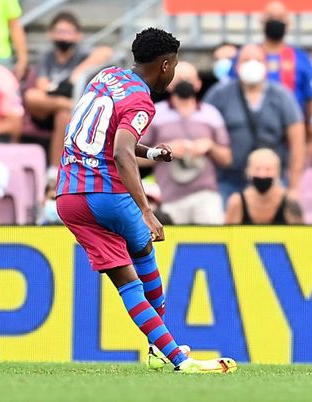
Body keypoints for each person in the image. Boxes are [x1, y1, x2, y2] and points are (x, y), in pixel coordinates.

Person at [55, 28, 236, 374]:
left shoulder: (106, 77)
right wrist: (146, 210)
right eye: (175, 66)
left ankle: (160, 349)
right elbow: (122, 152)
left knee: (127, 282)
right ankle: (179, 359)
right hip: (107, 193)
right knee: (143, 260)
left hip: (70, 197)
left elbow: (102, 133)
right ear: (166, 65)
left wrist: (150, 151)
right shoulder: (141, 99)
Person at [204, 44, 305, 202]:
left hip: (273, 179)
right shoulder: (219, 94)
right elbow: (203, 130)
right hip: (229, 181)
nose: (252, 64)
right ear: (236, 67)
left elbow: (298, 143)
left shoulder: (283, 96)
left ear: (266, 65)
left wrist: (294, 187)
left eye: (258, 60)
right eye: (246, 60)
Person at [142, 61, 232, 225]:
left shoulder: (211, 114)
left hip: (206, 196)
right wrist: (163, 152)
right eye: (179, 78)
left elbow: (227, 159)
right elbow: (133, 157)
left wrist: (210, 146)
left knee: (212, 244)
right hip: (168, 197)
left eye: (189, 78)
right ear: (168, 84)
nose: (184, 82)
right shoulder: (154, 114)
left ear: (198, 84)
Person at [23, 11, 114, 170]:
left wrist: (75, 75)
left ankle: (54, 170)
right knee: (32, 96)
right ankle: (70, 105)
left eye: (68, 32)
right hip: (49, 108)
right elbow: (42, 86)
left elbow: (106, 52)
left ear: (77, 35)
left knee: (63, 115)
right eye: (60, 32)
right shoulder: (46, 56)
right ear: (51, 34)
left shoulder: (81, 53)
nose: (64, 37)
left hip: (66, 114)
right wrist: (61, 96)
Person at [261, 1, 312, 114]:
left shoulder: (301, 58)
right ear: (262, 21)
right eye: (271, 17)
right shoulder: (247, 56)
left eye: (280, 17)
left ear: (288, 23)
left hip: (293, 126)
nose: (275, 21)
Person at [225, 148, 302, 224]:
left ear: (277, 172)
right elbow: (227, 234)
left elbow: (300, 234)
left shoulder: (290, 202)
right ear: (249, 172)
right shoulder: (237, 202)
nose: (262, 175)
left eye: (268, 169)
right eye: (257, 169)